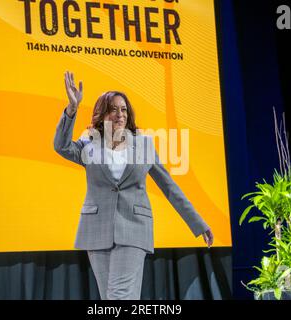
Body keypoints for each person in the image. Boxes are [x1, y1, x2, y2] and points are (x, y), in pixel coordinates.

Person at [54, 71, 214, 300]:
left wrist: (198, 223)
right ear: (102, 114)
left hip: (133, 229)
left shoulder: (143, 145)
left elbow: (169, 187)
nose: (120, 114)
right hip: (96, 231)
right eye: (113, 109)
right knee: (110, 298)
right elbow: (61, 146)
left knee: (120, 297)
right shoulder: (89, 143)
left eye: (124, 109)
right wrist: (71, 109)